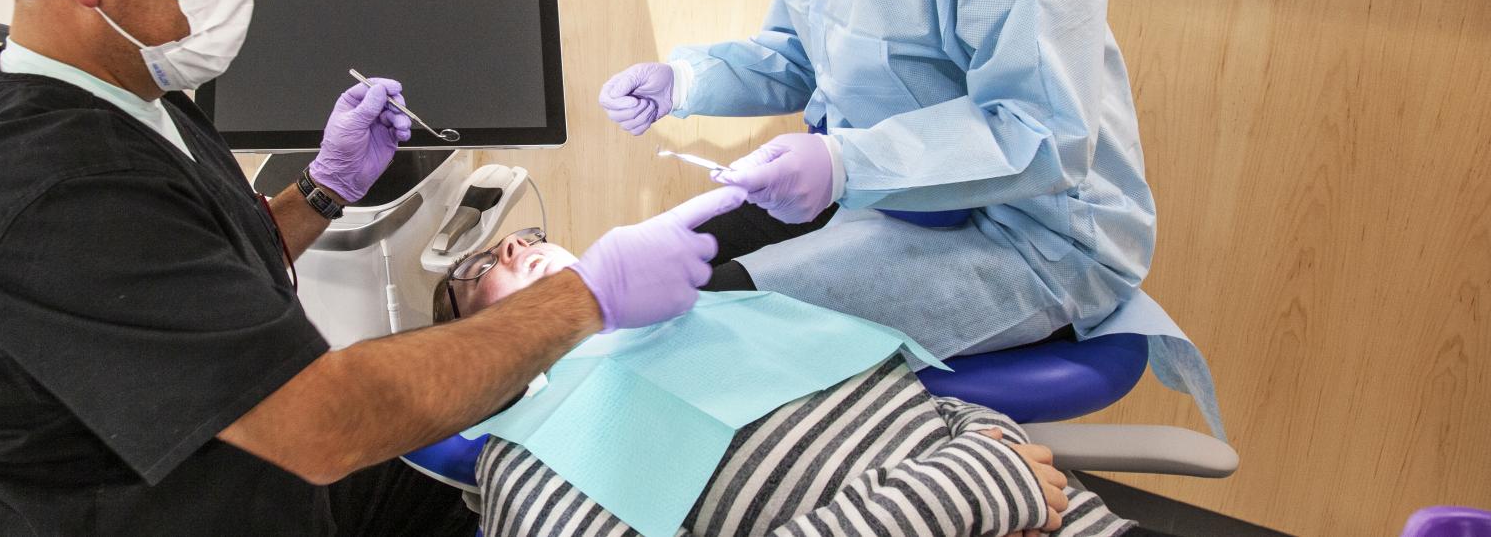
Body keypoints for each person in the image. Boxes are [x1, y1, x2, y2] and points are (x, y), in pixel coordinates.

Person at [0, 0, 746, 535]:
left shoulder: (125, 90)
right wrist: (581, 297)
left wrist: (323, 192)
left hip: (233, 469)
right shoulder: (57, 193)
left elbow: (197, 267)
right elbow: (325, 425)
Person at [597, 0, 1218, 429]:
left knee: (706, 328)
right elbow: (804, 56)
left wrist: (845, 164)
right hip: (882, 196)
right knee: (652, 290)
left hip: (1028, 236)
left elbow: (1043, 133)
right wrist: (685, 80)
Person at [439, 230, 1135, 537]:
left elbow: (926, 407)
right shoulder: (535, 455)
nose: (514, 246)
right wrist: (956, 495)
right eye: (477, 269)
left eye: (528, 236)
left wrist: (997, 457)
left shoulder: (728, 310)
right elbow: (955, 482)